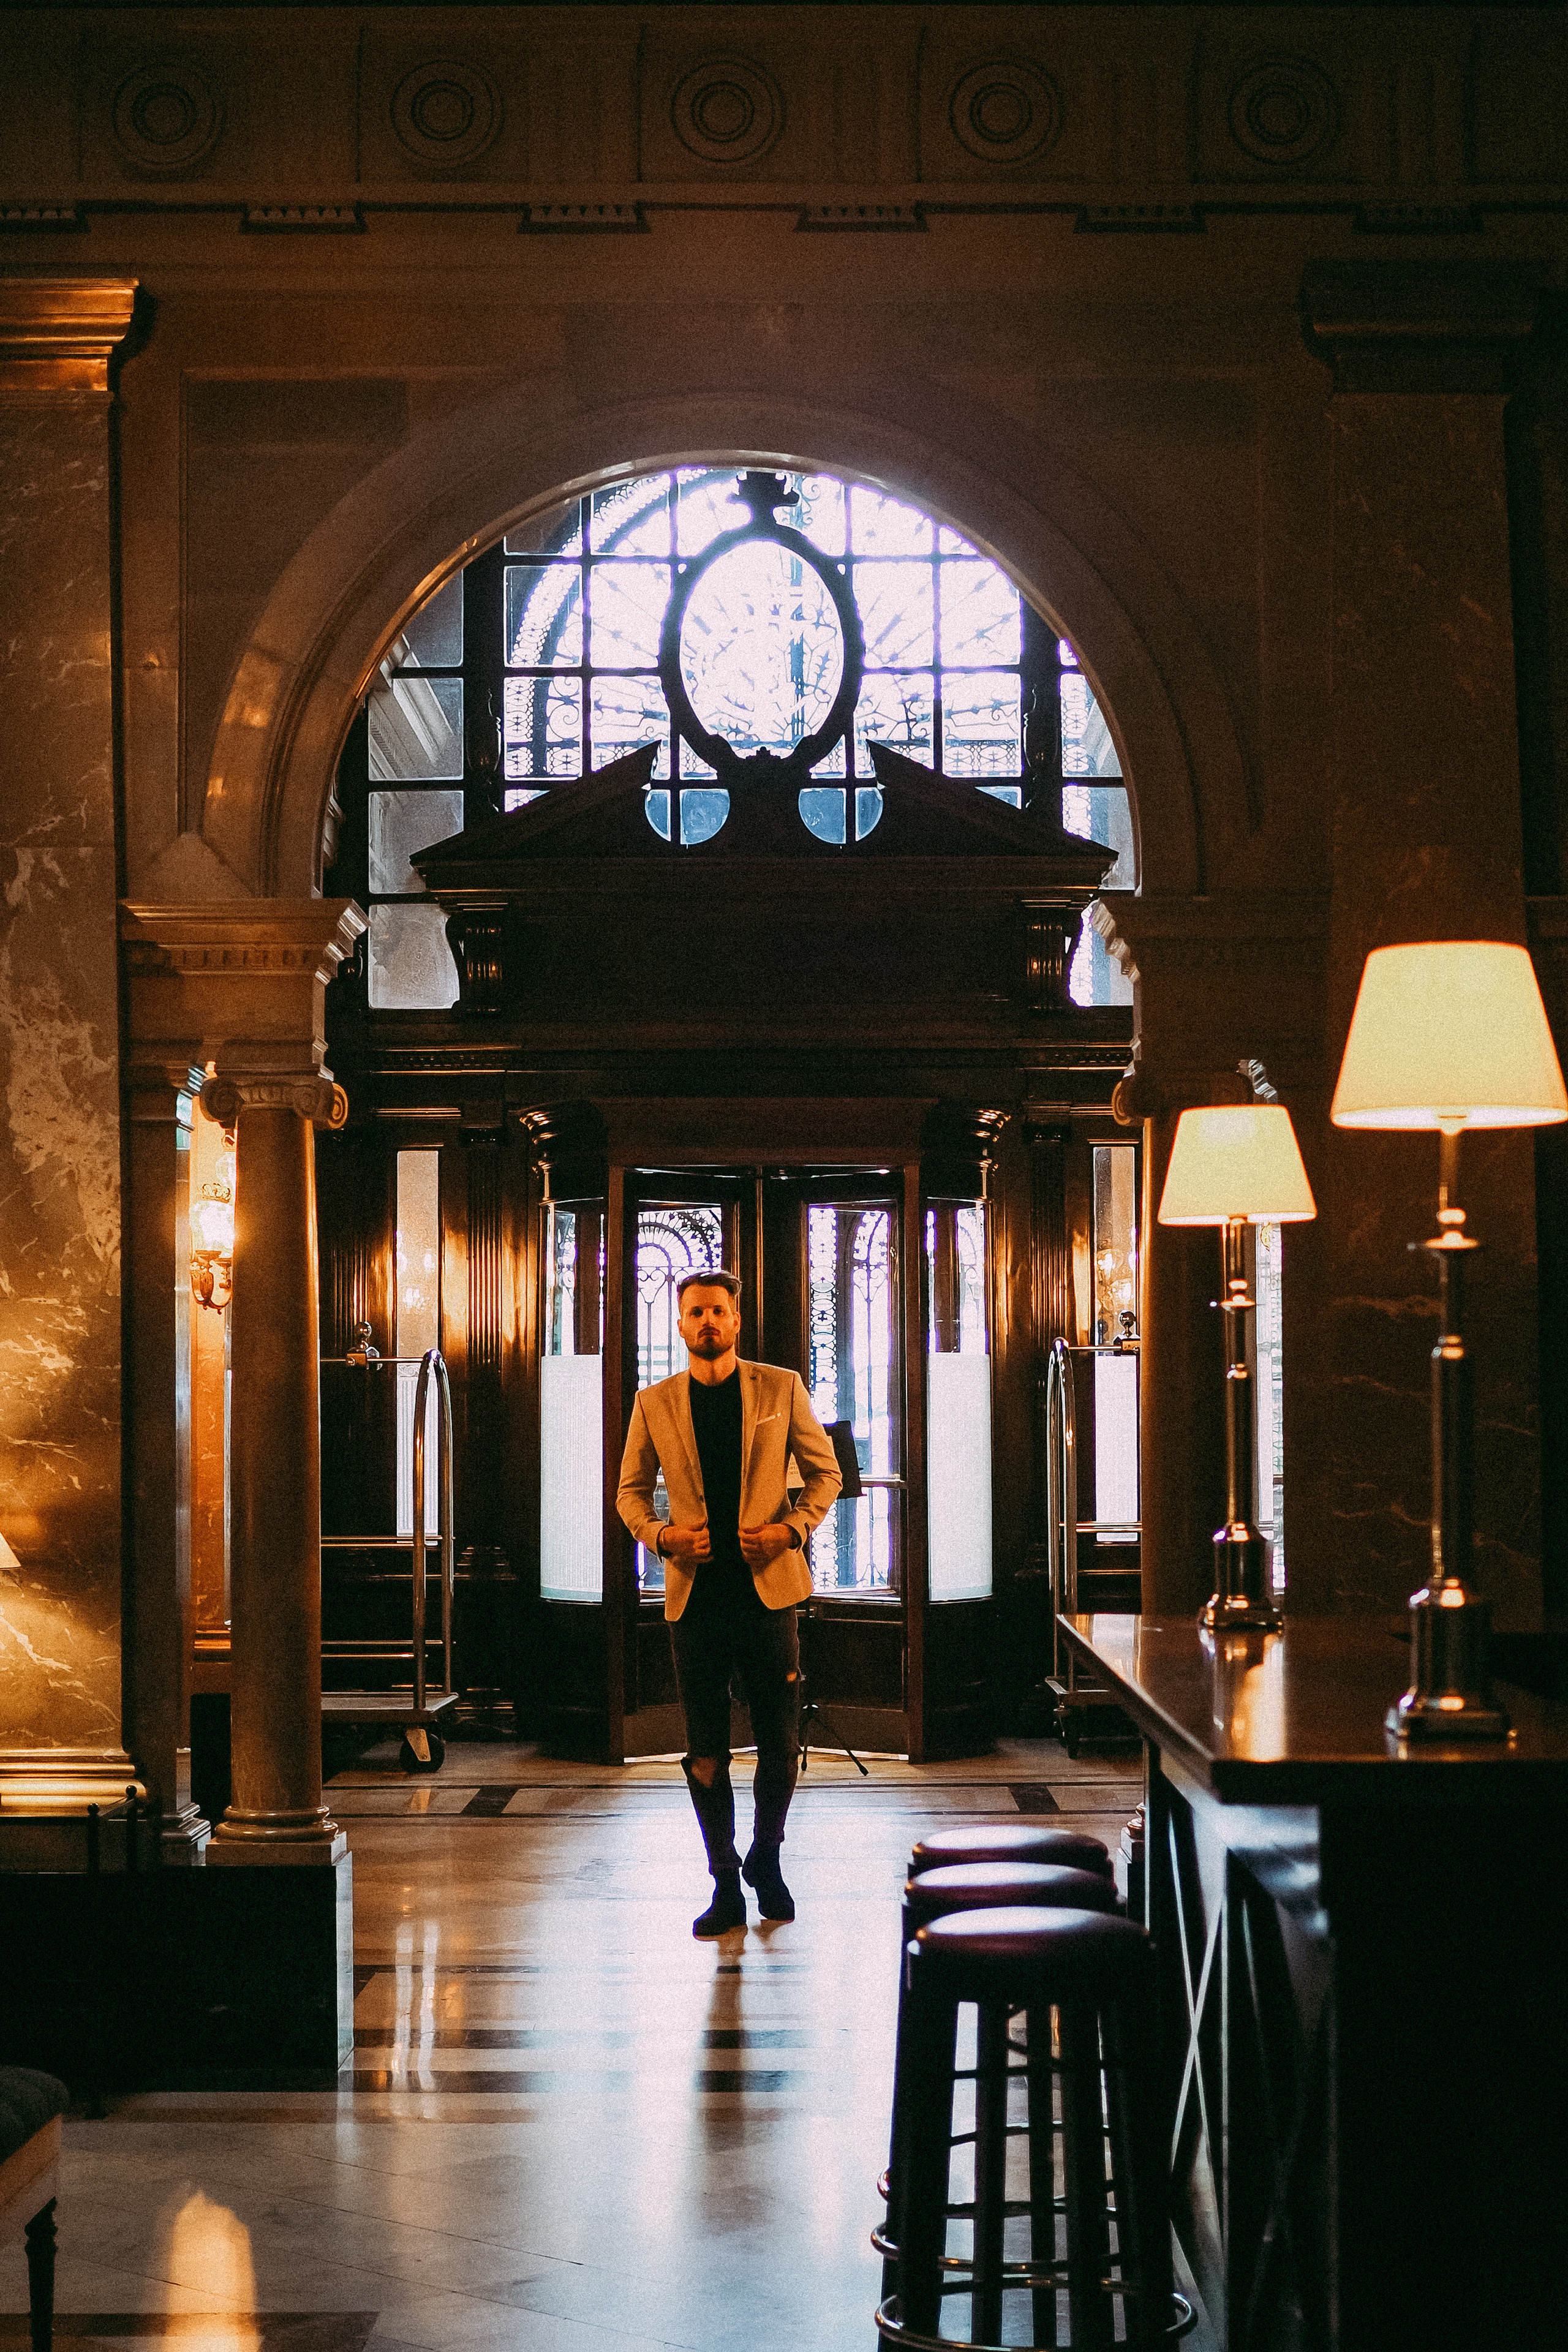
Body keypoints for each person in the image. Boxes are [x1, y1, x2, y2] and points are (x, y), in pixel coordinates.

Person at [617, 1268, 842, 1937]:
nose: (707, 1321)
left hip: (769, 1594)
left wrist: (790, 1530)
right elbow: (630, 1492)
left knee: (780, 1743)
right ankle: (723, 1882)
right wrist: (663, 1537)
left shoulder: (781, 1387)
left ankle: (767, 1858)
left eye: (718, 1311)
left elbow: (826, 1473)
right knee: (705, 1750)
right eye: (696, 1312)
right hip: (696, 1603)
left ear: (736, 1321)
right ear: (681, 1324)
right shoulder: (653, 1402)